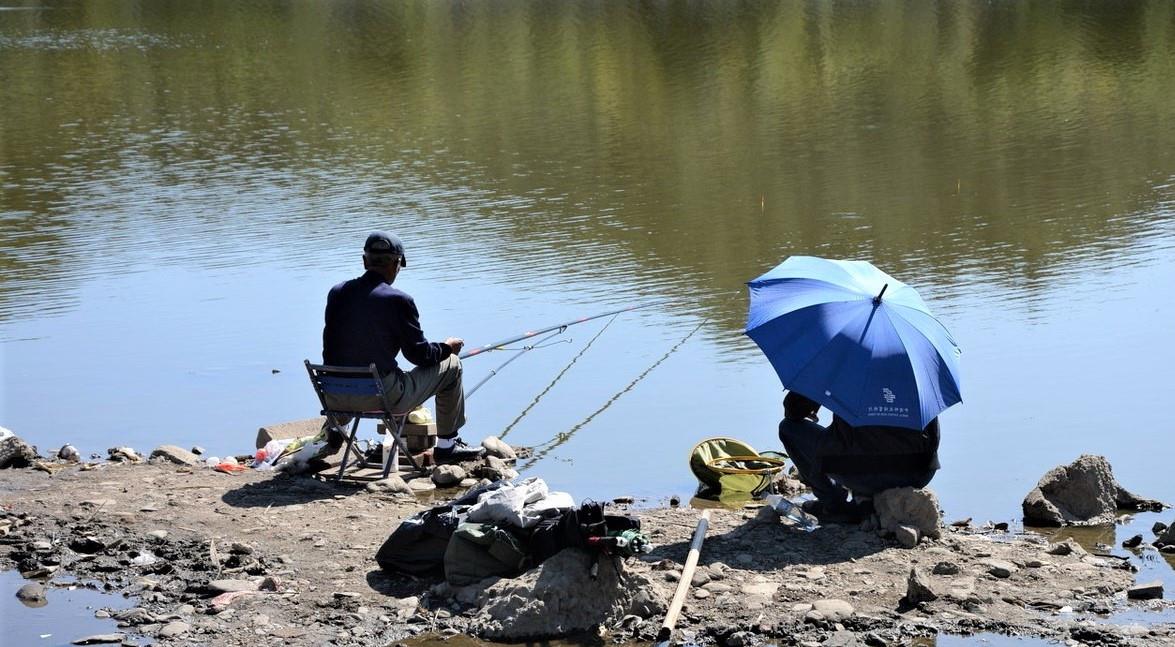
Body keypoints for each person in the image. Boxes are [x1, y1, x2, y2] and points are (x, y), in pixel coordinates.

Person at [321, 231, 484, 463]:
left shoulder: (337, 293)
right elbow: (419, 355)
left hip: (333, 396)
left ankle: (336, 431)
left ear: (364, 261)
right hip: (380, 398)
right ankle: (447, 447)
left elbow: (331, 349)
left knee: (360, 367)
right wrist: (447, 348)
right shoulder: (399, 300)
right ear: (397, 263)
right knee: (452, 366)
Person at [777, 391, 940, 523]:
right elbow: (934, 439)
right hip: (917, 474)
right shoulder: (916, 374)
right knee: (863, 443)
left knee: (788, 428)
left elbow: (793, 411)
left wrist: (817, 400)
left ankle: (834, 505)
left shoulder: (843, 362)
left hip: (860, 474)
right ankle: (866, 499)